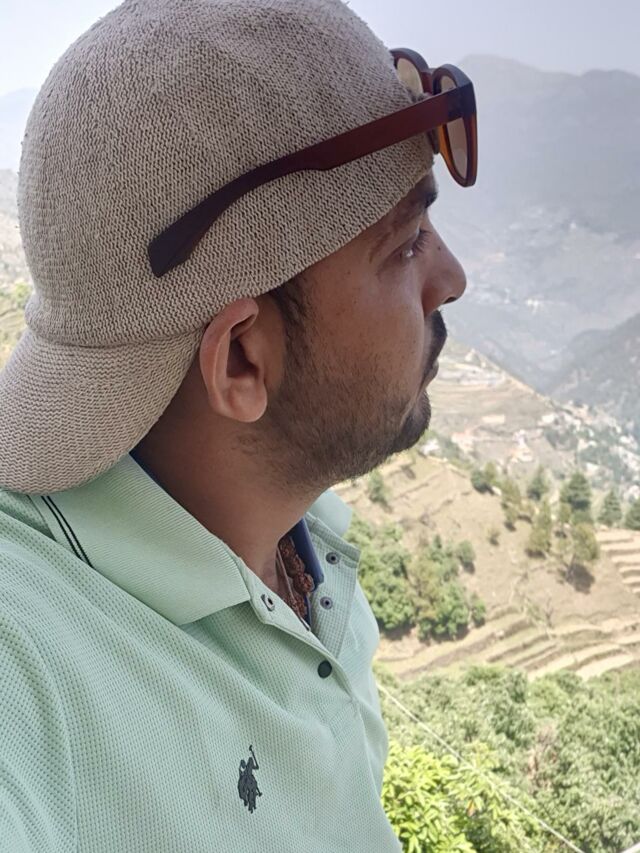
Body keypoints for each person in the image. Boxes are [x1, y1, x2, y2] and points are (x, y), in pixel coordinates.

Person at [0, 0, 475, 850]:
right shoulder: (27, 661)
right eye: (405, 244)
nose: (451, 277)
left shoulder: (301, 530)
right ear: (244, 361)